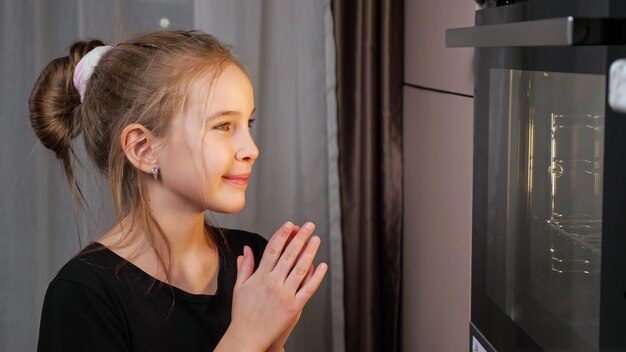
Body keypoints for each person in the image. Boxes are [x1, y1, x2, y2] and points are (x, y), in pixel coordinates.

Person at [29, 30, 327, 352]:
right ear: (143, 149)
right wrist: (247, 336)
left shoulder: (252, 259)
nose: (251, 149)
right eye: (224, 126)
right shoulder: (83, 294)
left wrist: (274, 340)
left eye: (248, 124)